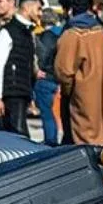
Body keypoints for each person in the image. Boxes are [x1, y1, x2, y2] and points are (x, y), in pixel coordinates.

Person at [55, 0, 103, 195]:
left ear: (69, 10)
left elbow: (64, 71)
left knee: (86, 144)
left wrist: (69, 91)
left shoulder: (72, 35)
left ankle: (92, 189)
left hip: (84, 98)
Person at [0, 0, 43, 137]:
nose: (40, 14)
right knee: (19, 136)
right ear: (27, 8)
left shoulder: (27, 32)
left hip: (22, 92)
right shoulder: (8, 32)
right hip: (11, 94)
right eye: (38, 9)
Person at [33, 9, 63, 147]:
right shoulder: (64, 34)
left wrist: (37, 70)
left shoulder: (42, 38)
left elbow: (40, 58)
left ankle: (50, 141)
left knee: (47, 114)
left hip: (45, 78)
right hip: (59, 78)